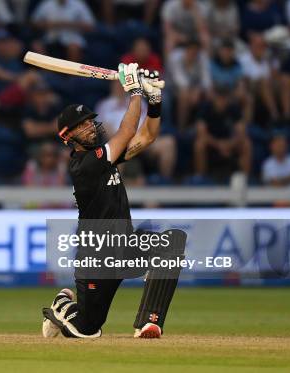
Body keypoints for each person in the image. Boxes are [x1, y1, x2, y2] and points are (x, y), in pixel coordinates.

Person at [41, 64, 187, 339]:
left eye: (88, 122)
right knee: (88, 329)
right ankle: (63, 305)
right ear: (67, 137)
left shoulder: (106, 156)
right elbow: (129, 129)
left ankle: (149, 322)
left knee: (171, 242)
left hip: (125, 246)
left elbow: (147, 136)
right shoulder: (83, 165)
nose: (87, 127)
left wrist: (154, 100)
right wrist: (134, 93)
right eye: (79, 126)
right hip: (96, 256)